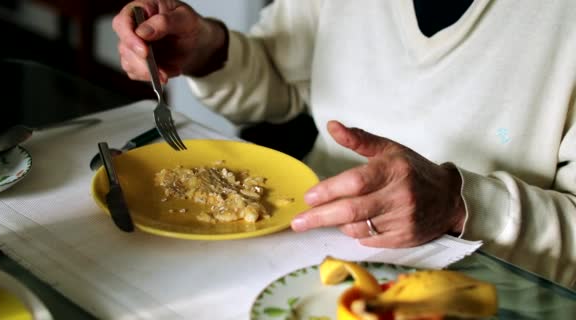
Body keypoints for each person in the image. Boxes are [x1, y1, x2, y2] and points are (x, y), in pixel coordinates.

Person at [112, 0, 576, 288]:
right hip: (301, 258)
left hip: (489, 290)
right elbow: (277, 76)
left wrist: (460, 204)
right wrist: (208, 50)